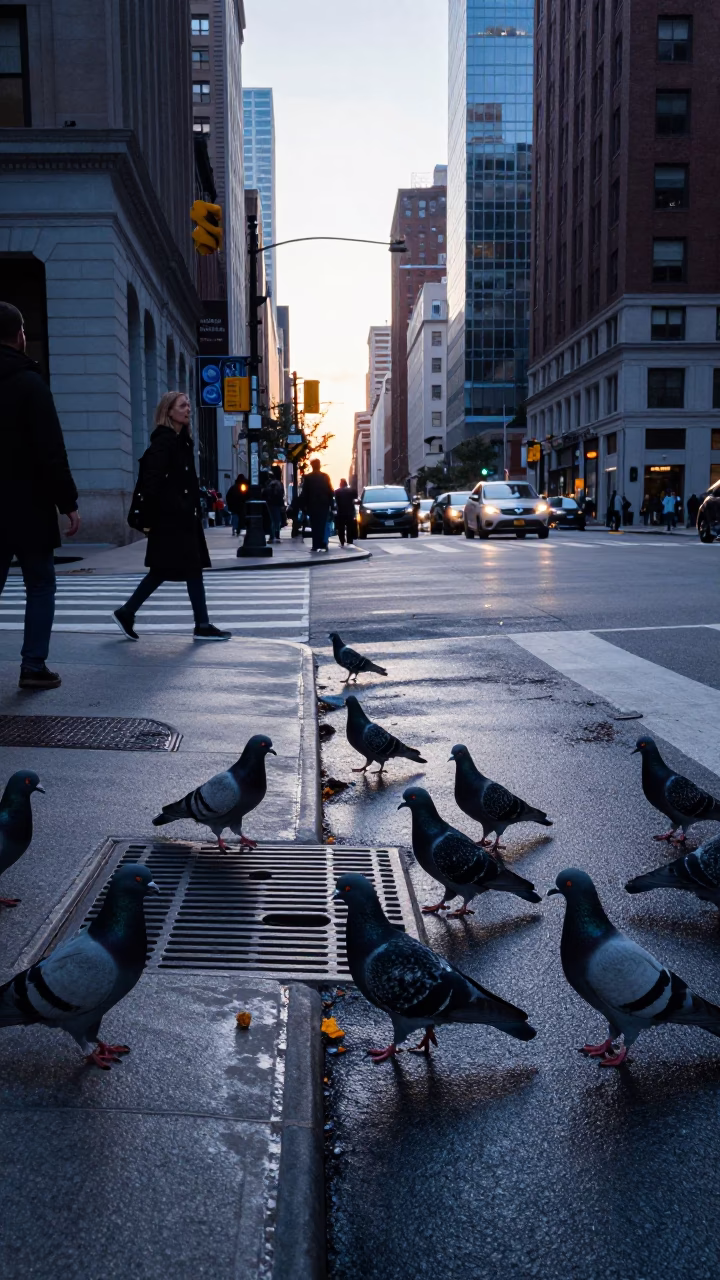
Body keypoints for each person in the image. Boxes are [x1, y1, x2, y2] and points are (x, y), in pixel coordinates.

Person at [0, 301, 80, 690]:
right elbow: (51, 450)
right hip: (29, 506)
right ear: (19, 336)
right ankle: (33, 665)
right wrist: (67, 502)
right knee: (41, 584)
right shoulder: (32, 384)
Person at [113, 391, 230, 641]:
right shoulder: (163, 442)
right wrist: (162, 513)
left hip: (183, 518)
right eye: (182, 405)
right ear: (169, 412)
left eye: (188, 405)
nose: (188, 409)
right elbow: (151, 482)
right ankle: (199, 624)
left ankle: (198, 623)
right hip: (171, 520)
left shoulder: (182, 441)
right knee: (168, 569)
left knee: (182, 569)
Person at [299, 457, 334, 552]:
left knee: (314, 525)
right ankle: (323, 543)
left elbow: (305, 493)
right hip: (324, 504)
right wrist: (332, 505)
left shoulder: (308, 477)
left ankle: (316, 544)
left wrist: (303, 506)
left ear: (312, 466)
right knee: (322, 524)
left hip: (313, 505)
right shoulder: (325, 476)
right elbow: (330, 491)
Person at [262, 466, 286, 544]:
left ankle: (272, 536)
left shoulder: (268, 483)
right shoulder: (279, 483)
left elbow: (264, 493)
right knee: (277, 520)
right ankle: (276, 535)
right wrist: (282, 505)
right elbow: (281, 495)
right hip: (277, 504)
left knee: (272, 520)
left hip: (269, 503)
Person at [333, 478, 357, 547]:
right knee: (350, 527)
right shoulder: (352, 491)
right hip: (350, 512)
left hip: (341, 512)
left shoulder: (337, 492)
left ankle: (342, 541)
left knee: (341, 528)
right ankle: (350, 541)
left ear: (340, 484)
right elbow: (355, 498)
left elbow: (336, 502)